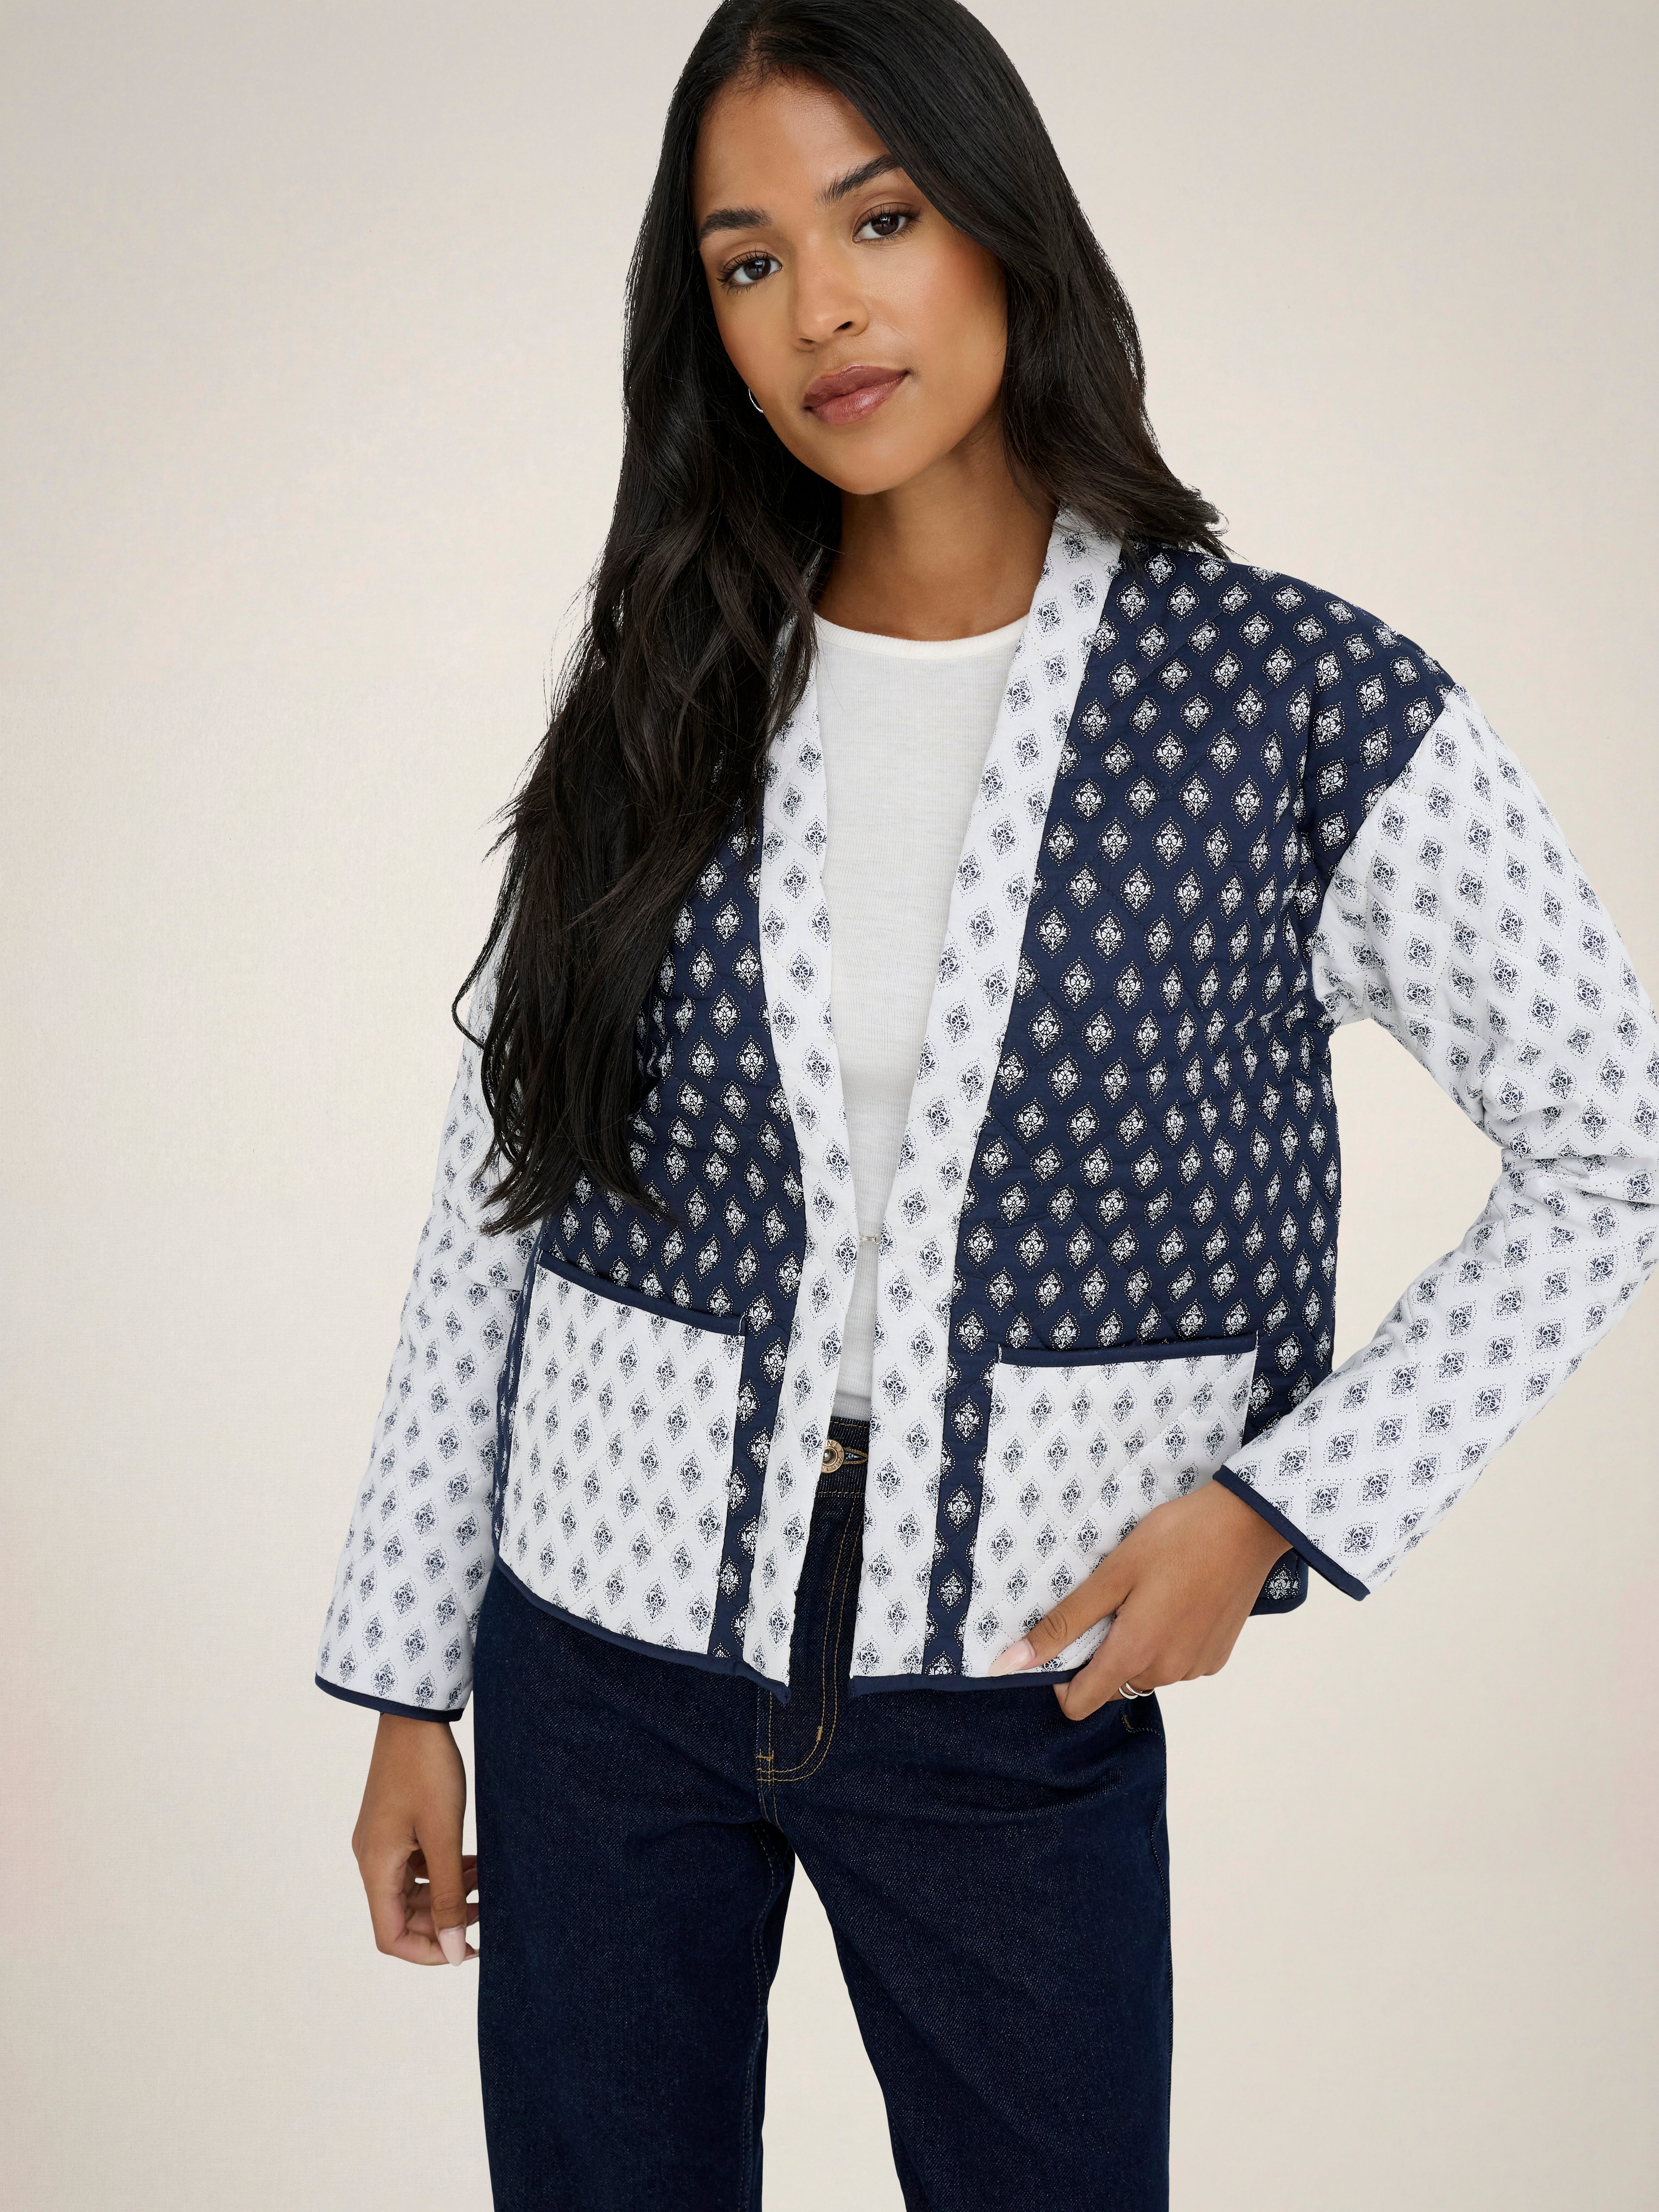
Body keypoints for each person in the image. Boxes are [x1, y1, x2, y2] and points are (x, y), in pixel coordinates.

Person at [312, 3, 1659, 2206]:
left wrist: (1277, 1506)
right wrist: (409, 1685)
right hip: (594, 1659)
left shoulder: (1292, 703)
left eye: (882, 220)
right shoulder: (668, 684)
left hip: (1020, 1669)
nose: (823, 308)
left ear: (1002, 226)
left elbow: (1620, 1146)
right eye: (750, 261)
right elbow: (502, 1179)